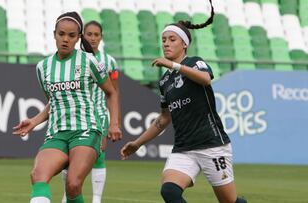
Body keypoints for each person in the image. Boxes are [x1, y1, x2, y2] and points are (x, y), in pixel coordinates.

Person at [120, 1, 247, 203]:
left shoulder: (194, 62)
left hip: (211, 145)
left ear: (184, 44)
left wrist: (174, 65)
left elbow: (205, 79)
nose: (166, 43)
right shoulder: (164, 81)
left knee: (230, 202)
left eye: (172, 39)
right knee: (169, 191)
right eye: (163, 40)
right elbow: (163, 119)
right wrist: (137, 143)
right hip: (184, 148)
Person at [13, 11, 122, 203]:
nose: (65, 39)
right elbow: (54, 102)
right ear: (54, 34)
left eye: (71, 36)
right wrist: (34, 121)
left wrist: (113, 123)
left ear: (78, 38)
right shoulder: (43, 67)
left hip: (86, 130)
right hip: (57, 133)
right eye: (61, 34)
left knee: (72, 184)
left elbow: (111, 92)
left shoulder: (90, 61)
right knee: (38, 176)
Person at [61, 20, 120, 203]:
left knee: (98, 156)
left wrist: (114, 122)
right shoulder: (73, 58)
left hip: (99, 114)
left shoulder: (109, 62)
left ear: (101, 37)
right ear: (82, 36)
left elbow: (114, 92)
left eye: (96, 35)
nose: (93, 38)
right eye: (89, 34)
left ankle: (96, 199)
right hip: (75, 115)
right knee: (67, 157)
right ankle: (67, 195)